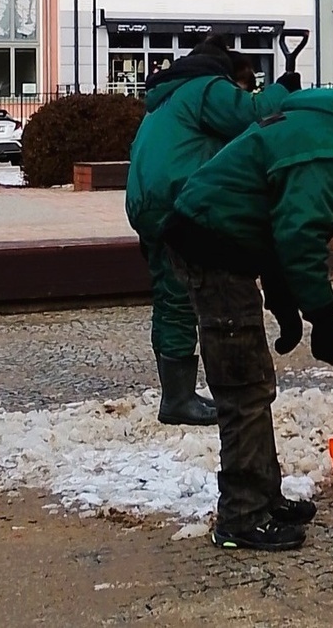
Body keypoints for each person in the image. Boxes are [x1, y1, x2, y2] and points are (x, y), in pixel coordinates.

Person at [165, 79, 333, 552]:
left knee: (255, 383)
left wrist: (285, 303)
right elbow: (298, 236)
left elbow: (275, 222)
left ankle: (263, 494)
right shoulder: (329, 149)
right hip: (211, 247)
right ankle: (240, 516)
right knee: (244, 387)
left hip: (222, 240)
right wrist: (323, 316)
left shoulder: (316, 120)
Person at [125, 36, 299, 426]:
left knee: (170, 295)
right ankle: (179, 399)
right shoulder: (205, 87)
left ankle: (177, 395)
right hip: (175, 197)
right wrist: (282, 89)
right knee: (185, 297)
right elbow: (249, 112)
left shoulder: (164, 101)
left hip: (145, 201)